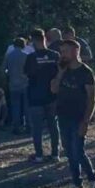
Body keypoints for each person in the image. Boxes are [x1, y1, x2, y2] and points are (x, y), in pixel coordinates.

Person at [51, 39, 95, 188]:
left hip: (79, 117)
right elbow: (53, 90)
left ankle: (93, 180)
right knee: (69, 151)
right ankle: (77, 184)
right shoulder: (63, 70)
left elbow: (92, 98)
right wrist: (59, 72)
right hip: (63, 116)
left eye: (65, 51)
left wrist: (86, 121)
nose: (62, 54)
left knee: (78, 151)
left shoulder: (86, 72)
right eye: (61, 51)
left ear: (75, 51)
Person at [24, 29, 61, 162]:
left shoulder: (31, 57)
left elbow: (27, 74)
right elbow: (60, 74)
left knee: (37, 129)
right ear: (45, 38)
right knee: (53, 126)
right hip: (52, 96)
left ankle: (39, 155)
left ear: (33, 40)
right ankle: (55, 154)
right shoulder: (55, 55)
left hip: (35, 97)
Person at [4, 37, 30, 134]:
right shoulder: (26, 55)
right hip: (25, 83)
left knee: (15, 106)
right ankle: (28, 126)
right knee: (27, 106)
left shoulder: (9, 56)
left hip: (13, 84)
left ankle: (16, 127)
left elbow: (4, 70)